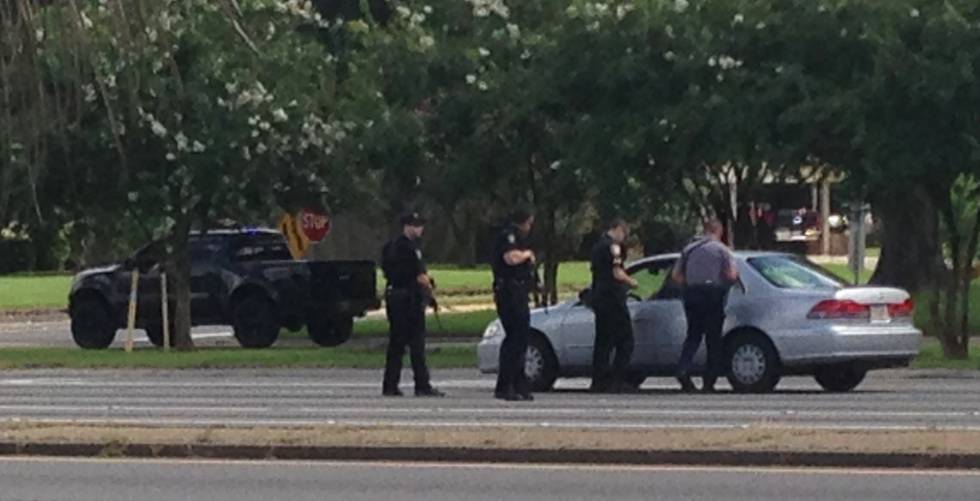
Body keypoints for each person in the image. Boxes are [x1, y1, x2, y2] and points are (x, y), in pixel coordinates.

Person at [380, 211, 445, 398]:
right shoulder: (410, 248)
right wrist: (430, 287)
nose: (420, 229)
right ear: (407, 226)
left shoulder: (389, 247)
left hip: (394, 296)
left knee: (396, 344)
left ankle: (390, 385)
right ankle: (422, 385)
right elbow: (420, 276)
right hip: (410, 299)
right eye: (416, 225)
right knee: (417, 344)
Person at [672, 218, 739, 393]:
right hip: (712, 295)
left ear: (705, 230)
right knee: (713, 339)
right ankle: (709, 381)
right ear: (719, 232)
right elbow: (731, 275)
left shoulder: (688, 249)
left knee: (693, 335)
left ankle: (683, 369)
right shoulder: (722, 250)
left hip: (692, 295)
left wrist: (689, 285)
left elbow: (676, 276)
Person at [589, 218, 639, 393]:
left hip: (599, 298)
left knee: (603, 342)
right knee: (626, 341)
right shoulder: (613, 247)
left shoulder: (597, 246)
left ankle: (598, 381)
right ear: (617, 229)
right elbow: (617, 272)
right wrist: (631, 282)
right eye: (624, 233)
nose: (624, 237)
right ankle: (617, 380)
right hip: (613, 299)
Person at [491, 209, 537, 402]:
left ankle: (519, 384)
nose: (530, 227)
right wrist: (527, 254)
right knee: (514, 339)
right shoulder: (508, 236)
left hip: (519, 291)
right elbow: (510, 258)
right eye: (529, 223)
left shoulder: (520, 238)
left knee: (521, 339)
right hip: (509, 292)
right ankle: (505, 385)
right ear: (523, 222)